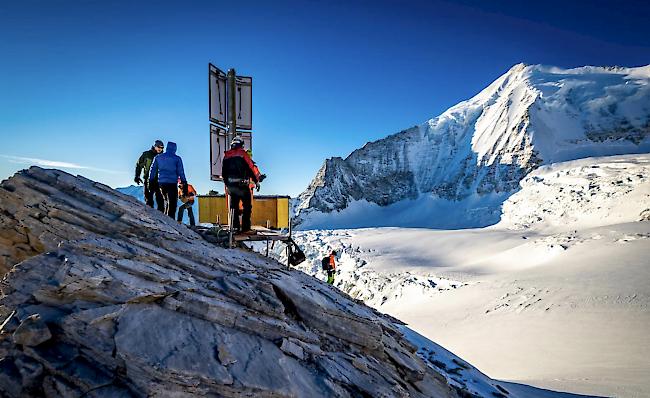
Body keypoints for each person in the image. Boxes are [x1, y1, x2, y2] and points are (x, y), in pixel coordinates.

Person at [222, 137, 261, 233]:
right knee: (247, 206)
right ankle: (245, 228)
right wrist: (256, 181)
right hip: (242, 185)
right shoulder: (243, 154)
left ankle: (234, 228)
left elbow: (224, 173)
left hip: (231, 185)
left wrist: (227, 184)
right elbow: (251, 168)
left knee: (233, 207)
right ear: (241, 144)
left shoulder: (226, 156)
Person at [148, 141, 187, 219]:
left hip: (161, 183)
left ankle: (165, 218)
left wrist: (151, 180)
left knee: (166, 201)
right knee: (172, 204)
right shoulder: (177, 159)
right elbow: (181, 171)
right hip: (172, 184)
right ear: (175, 149)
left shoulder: (158, 157)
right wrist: (184, 182)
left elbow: (153, 170)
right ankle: (170, 221)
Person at [134, 140, 164, 211]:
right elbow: (139, 165)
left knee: (160, 199)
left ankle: (162, 217)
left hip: (159, 181)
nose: (160, 149)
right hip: (148, 180)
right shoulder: (146, 154)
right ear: (154, 146)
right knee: (148, 198)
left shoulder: (163, 157)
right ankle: (150, 215)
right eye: (158, 147)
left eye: (162, 147)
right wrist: (137, 176)